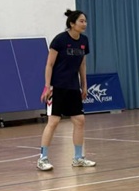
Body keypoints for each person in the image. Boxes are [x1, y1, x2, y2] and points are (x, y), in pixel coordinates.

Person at [37, 9, 96, 171]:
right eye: (81, 21)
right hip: (57, 87)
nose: (84, 24)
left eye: (85, 21)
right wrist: (47, 87)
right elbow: (49, 64)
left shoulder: (84, 41)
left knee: (80, 121)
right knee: (54, 122)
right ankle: (42, 158)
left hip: (73, 87)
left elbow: (82, 65)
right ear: (72, 23)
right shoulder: (60, 40)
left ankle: (78, 158)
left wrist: (84, 85)